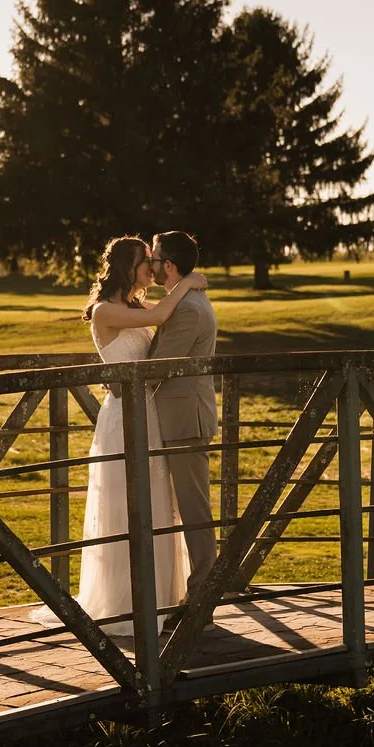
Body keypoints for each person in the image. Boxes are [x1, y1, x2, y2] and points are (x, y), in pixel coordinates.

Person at [75, 235, 208, 634]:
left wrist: (181, 285)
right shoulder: (104, 312)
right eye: (144, 262)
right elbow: (162, 318)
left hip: (150, 414)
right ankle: (126, 602)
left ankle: (161, 600)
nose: (151, 268)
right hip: (124, 420)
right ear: (125, 268)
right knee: (127, 504)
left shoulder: (132, 305)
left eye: (153, 261)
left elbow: (160, 322)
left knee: (157, 503)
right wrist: (185, 281)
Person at [147, 230, 218, 621]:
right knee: (189, 507)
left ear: (168, 265)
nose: (152, 266)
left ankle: (201, 601)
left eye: (155, 260)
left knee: (195, 509)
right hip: (180, 415)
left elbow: (161, 365)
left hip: (185, 418)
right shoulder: (187, 299)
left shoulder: (188, 307)